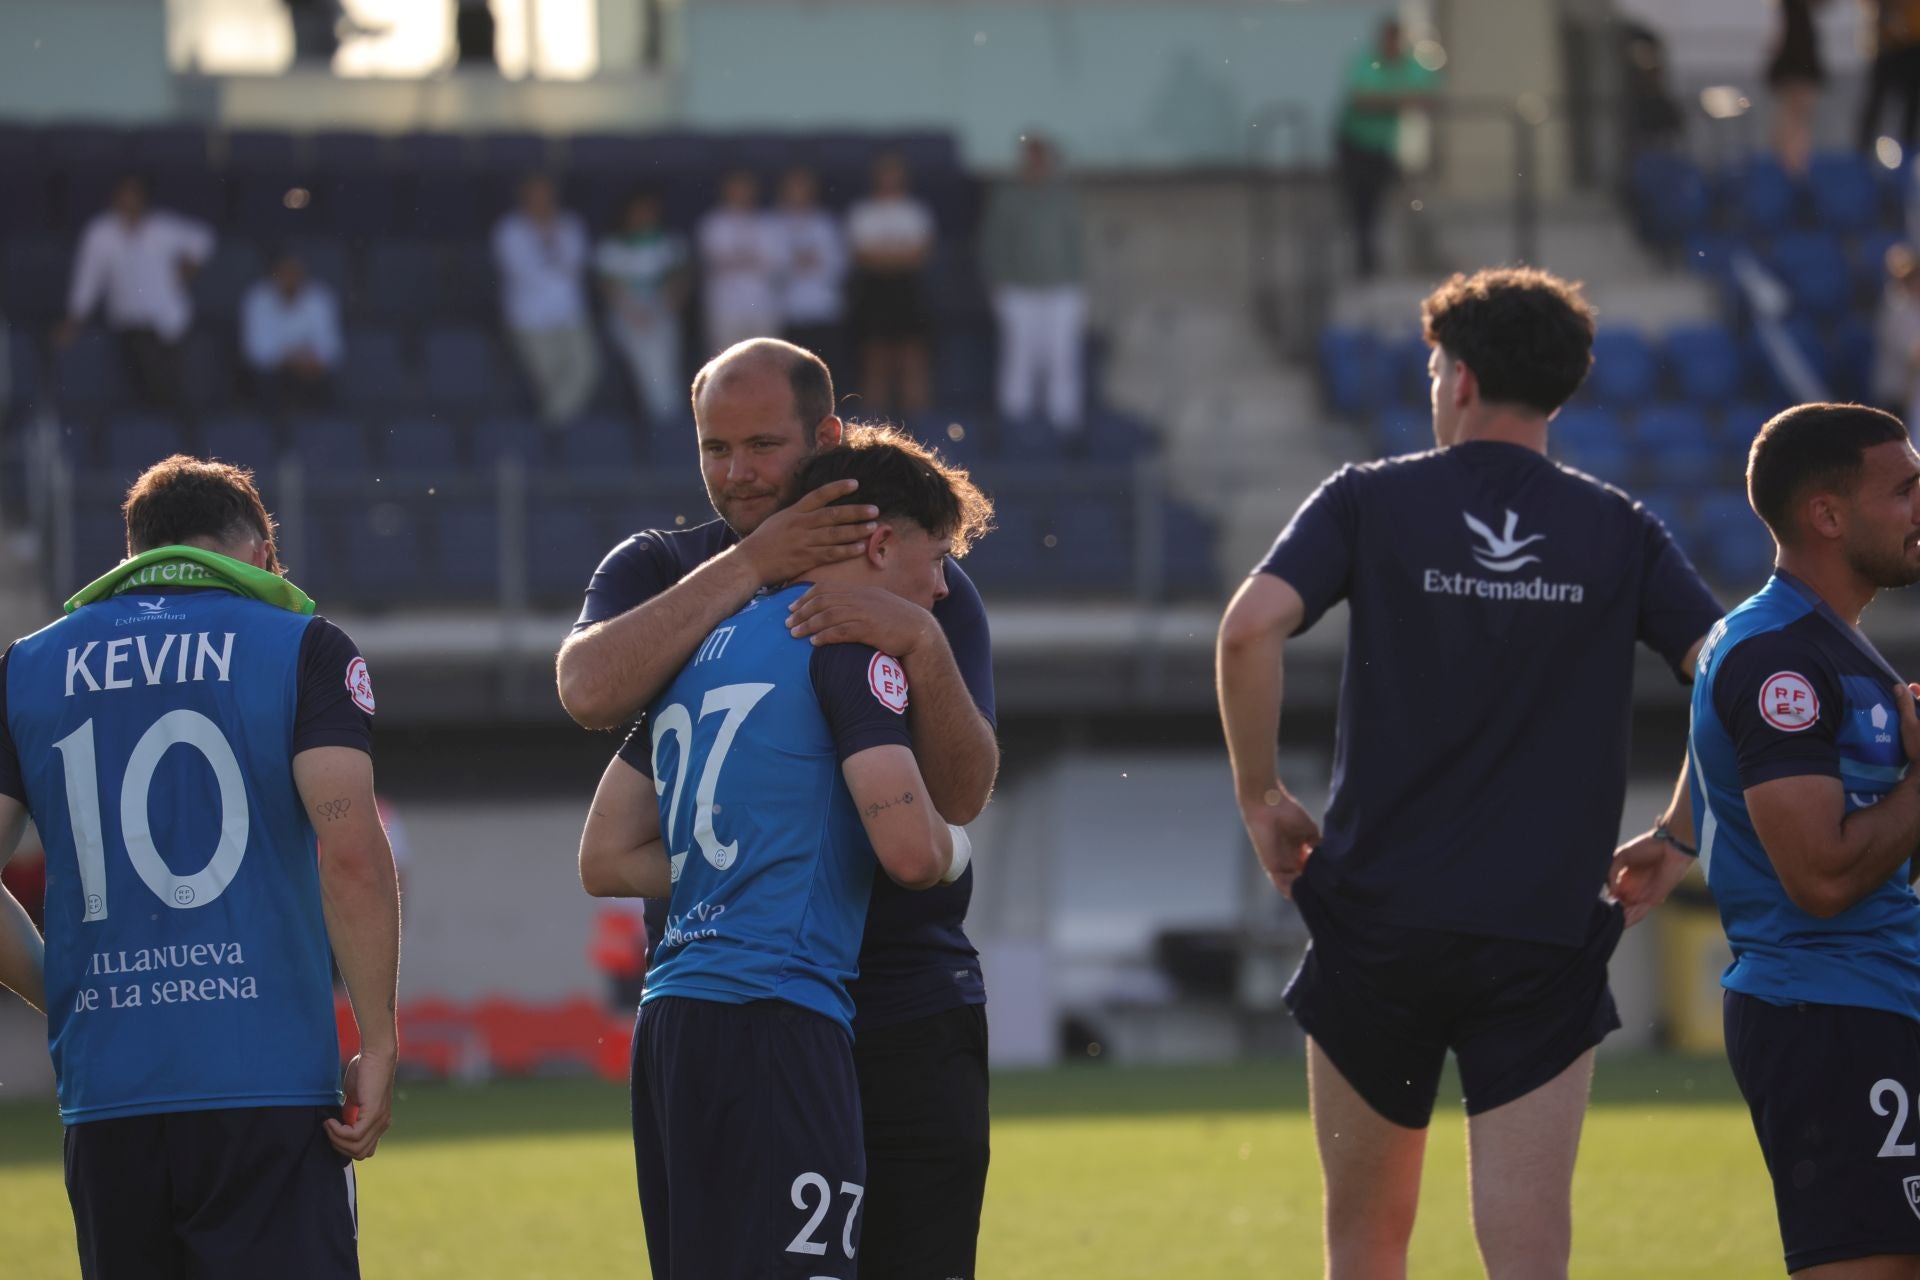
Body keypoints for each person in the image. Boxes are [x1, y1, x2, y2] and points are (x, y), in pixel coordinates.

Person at [1215, 266, 1723, 1279]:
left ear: (1461, 378)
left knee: (1368, 1241)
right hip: (1540, 932)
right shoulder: (1620, 528)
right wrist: (1680, 831)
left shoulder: (1368, 498)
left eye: (1434, 367)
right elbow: (1730, 673)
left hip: (1379, 922)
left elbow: (1247, 629)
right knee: (1528, 1249)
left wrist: (1261, 796)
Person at [556, 338, 1000, 1280]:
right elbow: (585, 688)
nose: (737, 473)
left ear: (826, 439)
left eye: (762, 445)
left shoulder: (916, 583)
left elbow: (962, 787)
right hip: (779, 1005)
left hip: (881, 1001)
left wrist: (924, 646)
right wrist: (753, 562)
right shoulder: (674, 575)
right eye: (715, 449)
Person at [0, 455, 399, 1280]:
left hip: (108, 1097)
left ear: (134, 553)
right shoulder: (303, 648)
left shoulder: (26, 667)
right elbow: (352, 855)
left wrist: (67, 990)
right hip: (268, 1089)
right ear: (260, 554)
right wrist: (381, 1039)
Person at [1663, 403, 1920, 1276]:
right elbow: (1821, 877)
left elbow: (1884, 854)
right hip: (1830, 1017)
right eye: (1905, 490)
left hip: (1878, 1001)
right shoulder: (1779, 657)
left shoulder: (1837, 649)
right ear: (1827, 515)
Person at [57, 173, 216, 415]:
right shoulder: (100, 233)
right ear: (115, 198)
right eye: (124, 196)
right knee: (151, 379)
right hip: (131, 329)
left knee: (193, 374)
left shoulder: (162, 227)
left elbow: (204, 238)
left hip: (174, 324)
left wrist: (188, 267)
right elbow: (87, 281)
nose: (129, 202)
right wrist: (74, 320)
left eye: (135, 196)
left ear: (144, 199)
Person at [981, 132, 1087, 434]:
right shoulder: (1007, 197)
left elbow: (1075, 243)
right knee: (1019, 355)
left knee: (1061, 356)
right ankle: (1015, 425)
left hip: (1061, 289)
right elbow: (993, 243)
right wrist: (1000, 283)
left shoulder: (1063, 197)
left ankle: (1065, 425)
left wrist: (1076, 283)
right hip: (1018, 290)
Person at [1334, 20, 1441, 279]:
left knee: (1386, 201)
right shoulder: (1367, 62)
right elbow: (1362, 98)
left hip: (1382, 146)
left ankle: (1388, 258)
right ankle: (1364, 260)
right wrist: (1399, 99)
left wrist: (1392, 99)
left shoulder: (1408, 65)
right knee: (1361, 204)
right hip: (1355, 143)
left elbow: (1430, 92)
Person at [493, 173, 600, 426]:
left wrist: (551, 260)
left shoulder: (570, 225)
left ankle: (547, 429)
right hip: (529, 321)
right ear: (525, 197)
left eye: (545, 194)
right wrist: (553, 263)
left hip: (571, 317)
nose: (541, 200)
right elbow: (524, 273)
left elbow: (575, 265)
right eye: (535, 195)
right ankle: (552, 435)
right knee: (550, 380)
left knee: (586, 371)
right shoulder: (509, 230)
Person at [846, 153, 935, 418]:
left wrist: (884, 256)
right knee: (876, 361)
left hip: (907, 291)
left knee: (912, 360)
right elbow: (862, 256)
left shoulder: (916, 212)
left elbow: (920, 254)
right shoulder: (863, 212)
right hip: (874, 292)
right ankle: (874, 428)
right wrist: (897, 256)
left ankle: (919, 430)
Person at [595, 189, 691, 425]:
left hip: (660, 313)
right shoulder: (613, 247)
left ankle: (667, 422)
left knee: (663, 368)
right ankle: (661, 422)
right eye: (638, 212)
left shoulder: (669, 243)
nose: (644, 217)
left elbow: (681, 282)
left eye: (648, 212)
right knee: (647, 367)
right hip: (628, 316)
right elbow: (608, 289)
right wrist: (632, 311)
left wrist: (665, 305)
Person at [241, 249, 343, 414]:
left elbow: (332, 350)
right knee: (266, 381)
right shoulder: (257, 298)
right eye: (284, 273)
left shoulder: (321, 298)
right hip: (272, 376)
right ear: (274, 275)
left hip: (310, 374)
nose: (290, 279)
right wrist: (290, 359)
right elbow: (256, 352)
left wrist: (309, 361)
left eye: (294, 273)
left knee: (321, 382)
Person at [770, 167, 850, 372]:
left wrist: (806, 262)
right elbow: (770, 265)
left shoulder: (825, 223)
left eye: (803, 188)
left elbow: (838, 264)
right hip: (787, 309)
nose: (798, 194)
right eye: (793, 188)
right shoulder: (773, 223)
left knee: (825, 370)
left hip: (823, 307)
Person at [697, 170, 782, 357]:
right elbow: (716, 260)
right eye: (736, 188)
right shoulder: (714, 223)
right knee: (725, 359)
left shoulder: (768, 224)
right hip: (726, 305)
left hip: (761, 303)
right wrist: (748, 259)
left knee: (766, 357)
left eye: (746, 188)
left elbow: (776, 263)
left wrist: (741, 259)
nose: (741, 194)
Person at [1768, 0, 1827, 178]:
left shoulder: (1796, 12)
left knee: (1796, 119)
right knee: (1794, 119)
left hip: (1798, 61)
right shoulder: (1793, 11)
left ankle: (1794, 165)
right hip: (1796, 61)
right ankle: (1793, 165)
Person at [1859, 0, 1920, 156]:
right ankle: (1863, 151)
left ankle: (1908, 151)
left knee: (1912, 102)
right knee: (1878, 101)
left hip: (1913, 44)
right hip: (1890, 44)